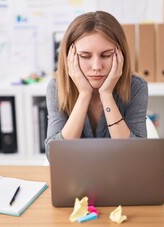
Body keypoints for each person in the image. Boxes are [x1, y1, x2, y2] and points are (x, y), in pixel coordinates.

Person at [45, 11, 148, 158]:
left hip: (120, 176)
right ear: (69, 57)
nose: (96, 66)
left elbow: (137, 156)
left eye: (106, 55)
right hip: (76, 176)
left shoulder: (136, 87)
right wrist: (84, 95)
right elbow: (55, 156)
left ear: (120, 54)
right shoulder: (56, 87)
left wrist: (106, 95)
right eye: (85, 56)